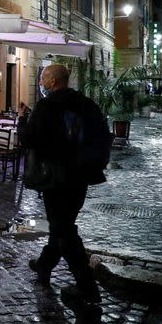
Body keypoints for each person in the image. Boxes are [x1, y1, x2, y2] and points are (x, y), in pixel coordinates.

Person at [18, 64, 108, 304]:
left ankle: (87, 287)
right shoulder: (87, 105)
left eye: (43, 78)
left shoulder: (47, 106)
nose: (40, 82)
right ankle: (44, 265)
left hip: (56, 178)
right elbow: (102, 137)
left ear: (54, 82)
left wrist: (21, 121)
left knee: (63, 229)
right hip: (81, 177)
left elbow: (30, 140)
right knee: (62, 223)